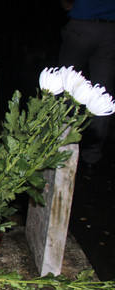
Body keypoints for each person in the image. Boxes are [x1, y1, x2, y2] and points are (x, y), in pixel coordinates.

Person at [58, 0, 115, 173]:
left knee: (64, 86)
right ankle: (91, 158)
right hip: (109, 29)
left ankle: (58, 145)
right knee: (102, 93)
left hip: (81, 25)